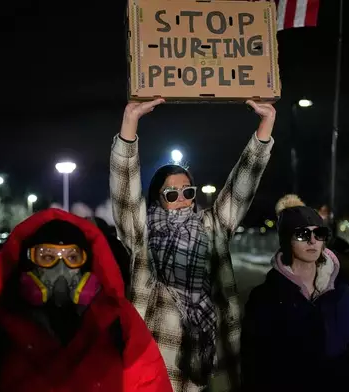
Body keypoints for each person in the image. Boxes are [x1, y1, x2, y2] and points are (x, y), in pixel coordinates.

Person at [110, 98, 276, 391]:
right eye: (171, 194)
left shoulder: (212, 226)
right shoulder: (142, 233)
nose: (182, 199)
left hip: (209, 365)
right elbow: (125, 191)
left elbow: (242, 185)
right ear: (158, 198)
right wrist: (130, 124)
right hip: (157, 365)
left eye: (187, 191)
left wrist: (265, 128)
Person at [0, 208, 172, 392]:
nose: (60, 269)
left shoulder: (118, 322)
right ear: (28, 263)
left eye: (72, 258)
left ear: (88, 264)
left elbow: (149, 382)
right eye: (46, 257)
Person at [241, 195, 349, 392]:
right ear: (286, 239)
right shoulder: (265, 298)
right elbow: (254, 367)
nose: (312, 240)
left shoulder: (342, 294)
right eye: (303, 234)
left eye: (318, 233)